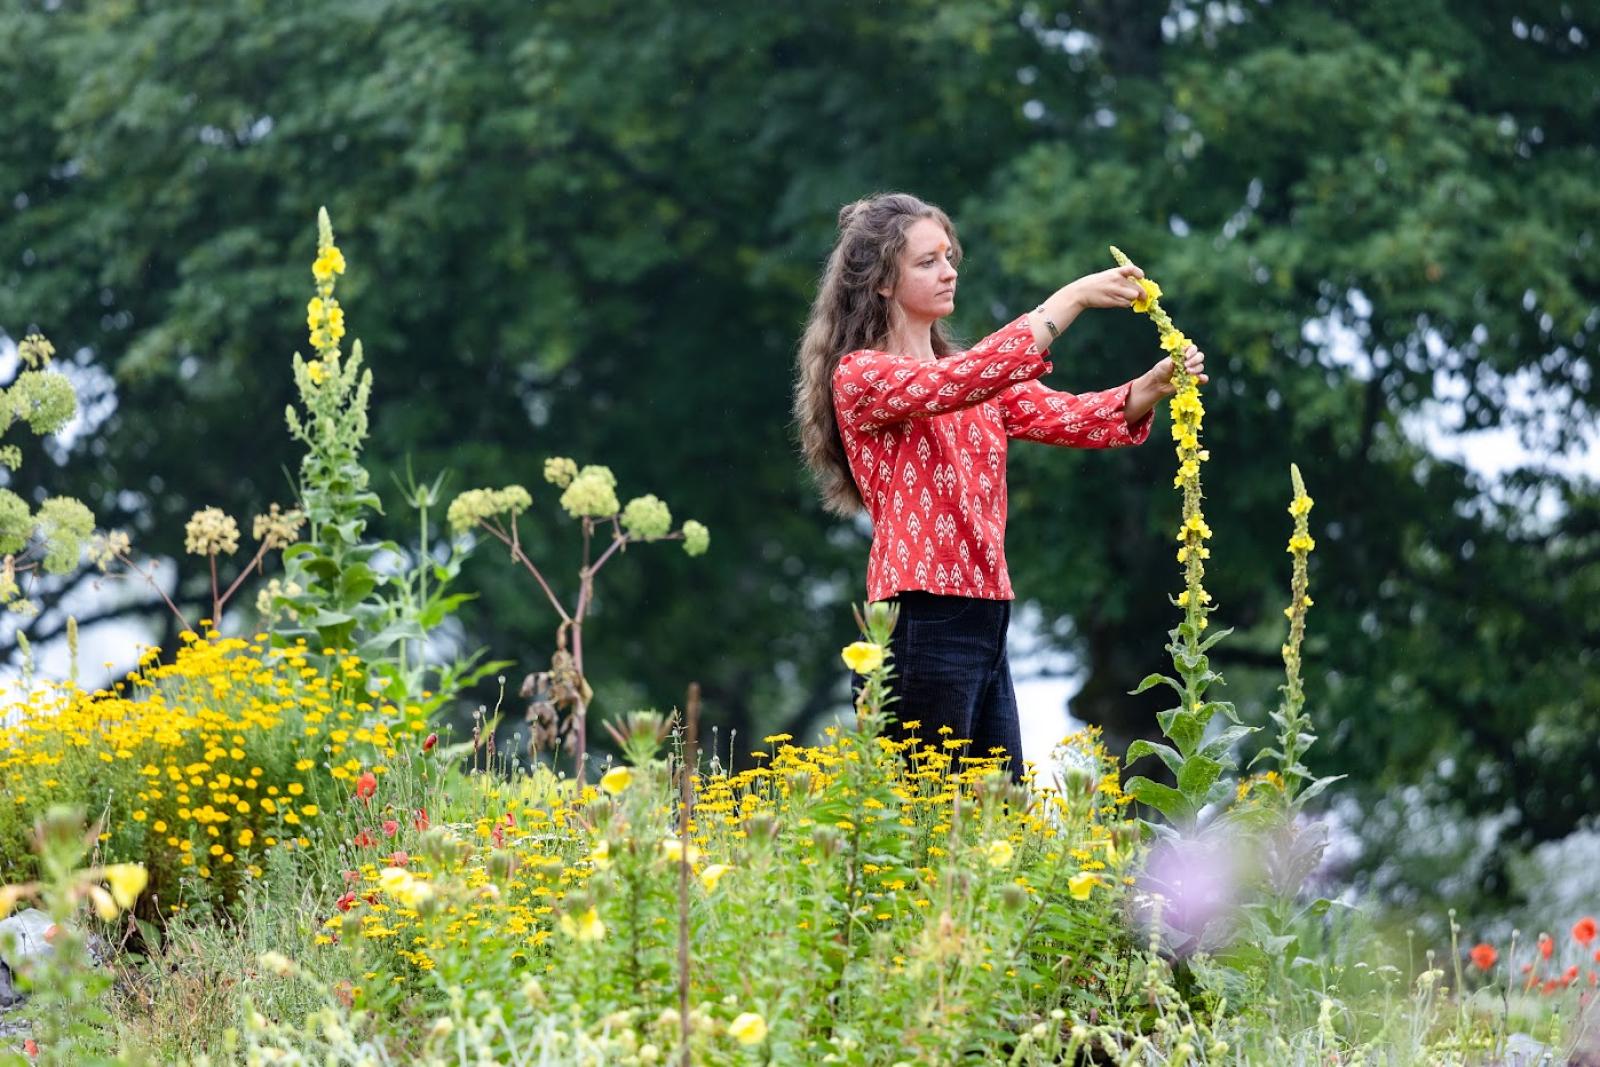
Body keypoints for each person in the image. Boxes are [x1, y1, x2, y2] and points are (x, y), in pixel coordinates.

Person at [792, 192, 1208, 781]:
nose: (949, 271)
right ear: (882, 282)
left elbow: (1069, 417)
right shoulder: (862, 375)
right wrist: (1073, 298)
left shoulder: (972, 377)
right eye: (927, 261)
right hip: (917, 617)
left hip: (986, 616)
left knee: (1000, 817)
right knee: (925, 815)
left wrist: (1149, 387)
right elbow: (964, 378)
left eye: (949, 256)